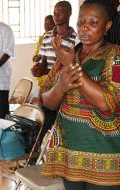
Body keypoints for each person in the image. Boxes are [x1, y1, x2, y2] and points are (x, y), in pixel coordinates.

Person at [40, 0, 120, 189]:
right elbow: (46, 100)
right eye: (80, 22)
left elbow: (108, 103)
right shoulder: (70, 54)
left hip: (105, 158)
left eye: (93, 23)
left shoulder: (115, 56)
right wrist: (60, 87)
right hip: (70, 156)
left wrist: (72, 66)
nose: (84, 28)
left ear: (107, 25)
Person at [31, 1, 79, 143]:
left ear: (70, 13)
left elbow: (70, 67)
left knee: (61, 129)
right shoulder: (47, 36)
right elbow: (45, 63)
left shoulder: (76, 40)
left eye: (61, 12)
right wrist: (39, 70)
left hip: (64, 91)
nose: (56, 15)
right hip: (47, 89)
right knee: (40, 124)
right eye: (55, 12)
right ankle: (34, 157)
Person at [32, 15, 55, 88]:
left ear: (55, 24)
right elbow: (39, 53)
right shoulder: (42, 37)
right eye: (45, 24)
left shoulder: (57, 38)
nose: (47, 26)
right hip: (42, 72)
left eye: (49, 24)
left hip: (53, 72)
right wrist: (36, 58)